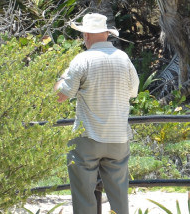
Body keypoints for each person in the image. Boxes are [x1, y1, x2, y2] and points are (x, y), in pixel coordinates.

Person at [55, 13, 139, 214]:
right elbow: (133, 91)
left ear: (86, 35)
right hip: (118, 138)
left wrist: (62, 76)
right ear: (107, 34)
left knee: (84, 197)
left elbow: (60, 95)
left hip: (88, 138)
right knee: (119, 197)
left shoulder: (82, 59)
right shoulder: (123, 58)